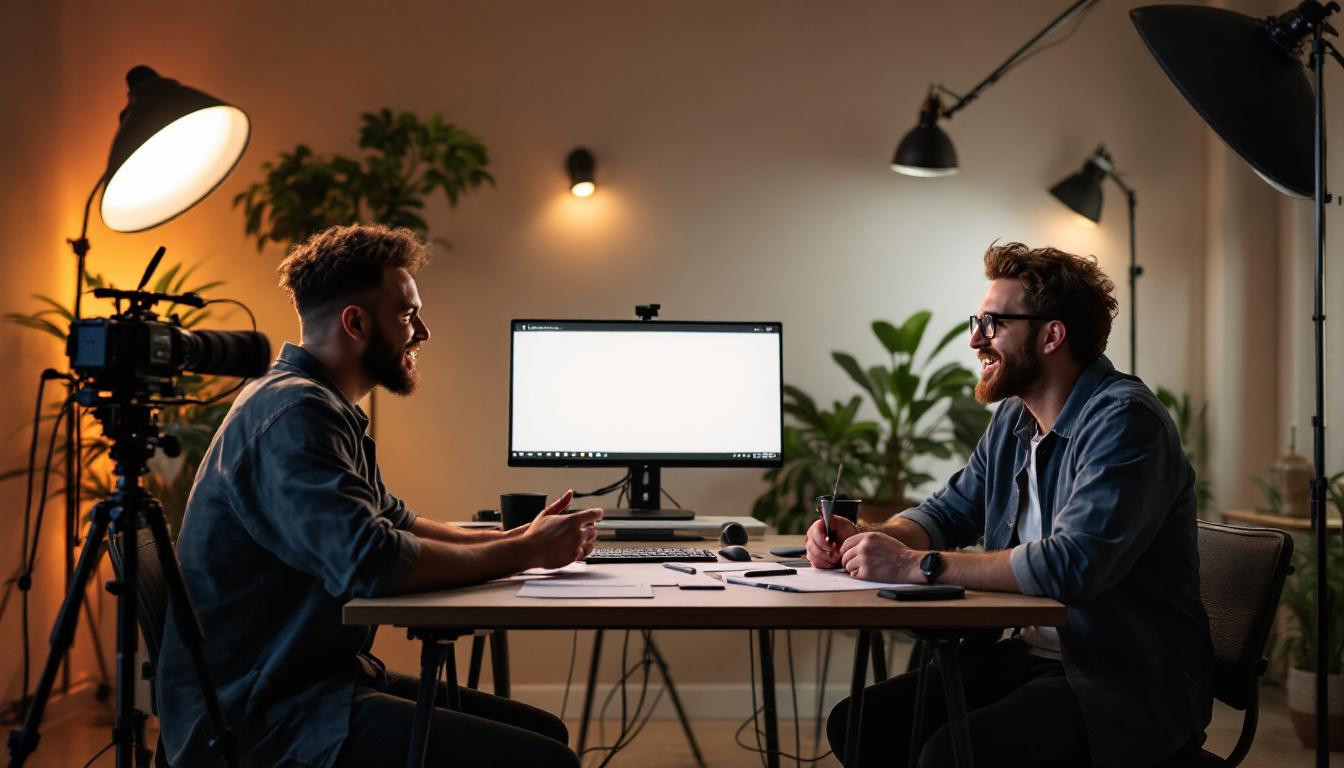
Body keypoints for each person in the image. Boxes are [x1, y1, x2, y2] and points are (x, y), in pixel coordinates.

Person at [156, 224, 599, 768]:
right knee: (544, 760)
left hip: (311, 680)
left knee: (545, 731)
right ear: (357, 322)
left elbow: (391, 520)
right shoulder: (297, 415)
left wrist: (513, 538)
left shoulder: (315, 402)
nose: (424, 332)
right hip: (267, 714)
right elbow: (370, 559)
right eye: (408, 314)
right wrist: (524, 555)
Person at [808, 242, 1212, 768]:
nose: (976, 338)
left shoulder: (1125, 422)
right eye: (977, 321)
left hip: (1119, 678)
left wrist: (913, 565)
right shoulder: (1014, 421)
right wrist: (871, 539)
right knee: (861, 725)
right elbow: (949, 512)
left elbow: (1074, 566)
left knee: (948, 757)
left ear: (1052, 335)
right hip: (1028, 656)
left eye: (993, 323)